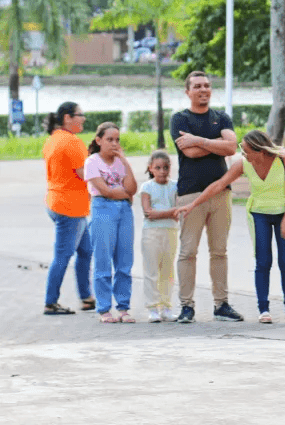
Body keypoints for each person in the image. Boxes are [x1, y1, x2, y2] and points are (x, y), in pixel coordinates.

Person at [178, 129, 285, 325]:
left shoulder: (284, 159)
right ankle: (264, 310)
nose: (242, 154)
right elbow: (220, 184)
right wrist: (193, 204)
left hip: (283, 214)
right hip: (259, 214)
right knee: (263, 262)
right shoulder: (244, 164)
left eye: (245, 150)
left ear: (259, 150)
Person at [171, 70, 243, 324]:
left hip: (221, 194)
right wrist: (215, 145)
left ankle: (221, 304)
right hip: (190, 193)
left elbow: (232, 147)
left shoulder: (221, 117)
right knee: (188, 252)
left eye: (207, 86)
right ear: (188, 91)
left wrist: (200, 140)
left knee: (219, 252)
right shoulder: (179, 119)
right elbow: (189, 153)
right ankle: (186, 306)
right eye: (198, 86)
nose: (203, 90)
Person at [42, 102, 94, 315]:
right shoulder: (72, 142)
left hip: (57, 202)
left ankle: (87, 298)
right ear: (67, 118)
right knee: (63, 256)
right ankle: (50, 302)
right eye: (80, 115)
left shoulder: (52, 140)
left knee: (85, 250)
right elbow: (87, 175)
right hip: (70, 208)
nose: (83, 119)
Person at [84, 122, 138, 323]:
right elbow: (104, 191)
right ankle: (104, 308)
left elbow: (133, 188)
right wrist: (125, 194)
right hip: (102, 208)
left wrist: (124, 160)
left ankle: (123, 307)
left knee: (124, 261)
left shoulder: (119, 162)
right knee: (103, 260)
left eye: (117, 140)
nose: (114, 144)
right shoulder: (92, 161)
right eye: (109, 140)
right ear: (99, 141)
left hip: (124, 211)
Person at [140, 150, 178, 323]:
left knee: (168, 271)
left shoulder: (175, 186)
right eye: (158, 167)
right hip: (151, 233)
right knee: (151, 270)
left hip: (170, 231)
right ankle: (153, 307)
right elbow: (148, 213)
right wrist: (170, 212)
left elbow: (177, 212)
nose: (162, 171)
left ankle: (166, 306)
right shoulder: (146, 187)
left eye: (165, 167)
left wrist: (162, 213)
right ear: (151, 168)